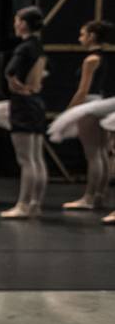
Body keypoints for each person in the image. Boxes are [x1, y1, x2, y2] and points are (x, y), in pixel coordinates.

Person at [48, 20, 115, 211]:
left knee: (93, 153)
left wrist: (69, 111)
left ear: (92, 36)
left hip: (90, 104)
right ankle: (100, 195)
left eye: (82, 34)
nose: (80, 38)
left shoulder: (90, 59)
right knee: (101, 152)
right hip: (101, 102)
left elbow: (82, 90)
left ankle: (89, 197)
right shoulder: (102, 57)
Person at [1, 6, 49, 219]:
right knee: (37, 157)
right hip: (37, 102)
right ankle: (35, 203)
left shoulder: (24, 48)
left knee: (26, 159)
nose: (15, 24)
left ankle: (22, 204)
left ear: (23, 23)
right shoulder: (38, 46)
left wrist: (19, 88)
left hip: (23, 103)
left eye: (17, 20)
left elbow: (10, 72)